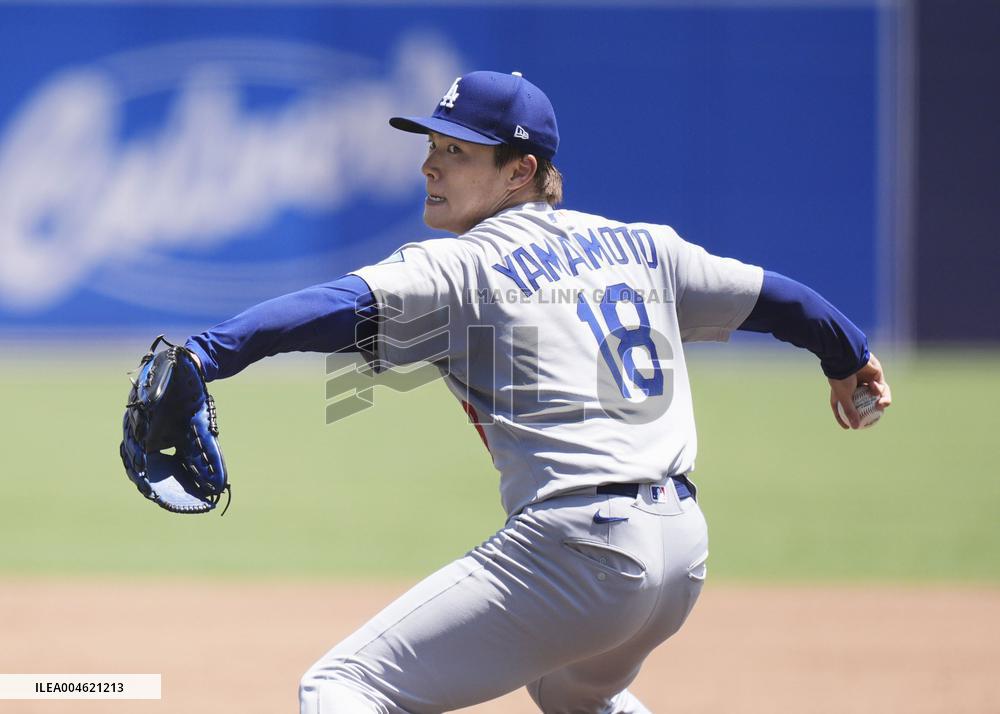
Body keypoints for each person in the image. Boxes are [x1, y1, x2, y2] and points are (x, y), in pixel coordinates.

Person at [184, 70, 891, 713]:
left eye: (457, 151)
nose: (430, 164)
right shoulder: (646, 247)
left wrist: (205, 354)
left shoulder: (465, 263)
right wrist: (848, 356)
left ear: (521, 170)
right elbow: (781, 300)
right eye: (432, 145)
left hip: (577, 549)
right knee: (570, 695)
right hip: (681, 554)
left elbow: (333, 307)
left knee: (342, 685)